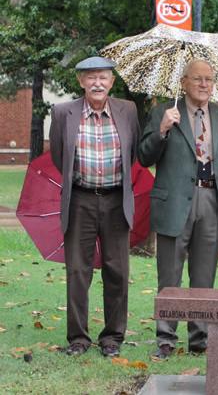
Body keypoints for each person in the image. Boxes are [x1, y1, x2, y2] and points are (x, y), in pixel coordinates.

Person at [139, 59, 218, 359]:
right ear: (183, 82)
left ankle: (200, 337)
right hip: (175, 203)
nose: (204, 85)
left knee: (204, 274)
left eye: (209, 79)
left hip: (213, 201)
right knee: (169, 274)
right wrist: (161, 130)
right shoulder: (164, 112)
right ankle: (165, 338)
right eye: (198, 79)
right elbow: (144, 157)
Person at [49, 56, 140, 358]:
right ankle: (78, 338)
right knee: (78, 270)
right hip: (80, 200)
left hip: (116, 199)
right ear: (81, 82)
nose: (97, 83)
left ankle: (112, 337)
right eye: (91, 78)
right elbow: (59, 156)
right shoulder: (63, 112)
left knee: (117, 270)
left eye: (103, 77)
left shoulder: (127, 110)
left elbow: (135, 152)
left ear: (112, 82)